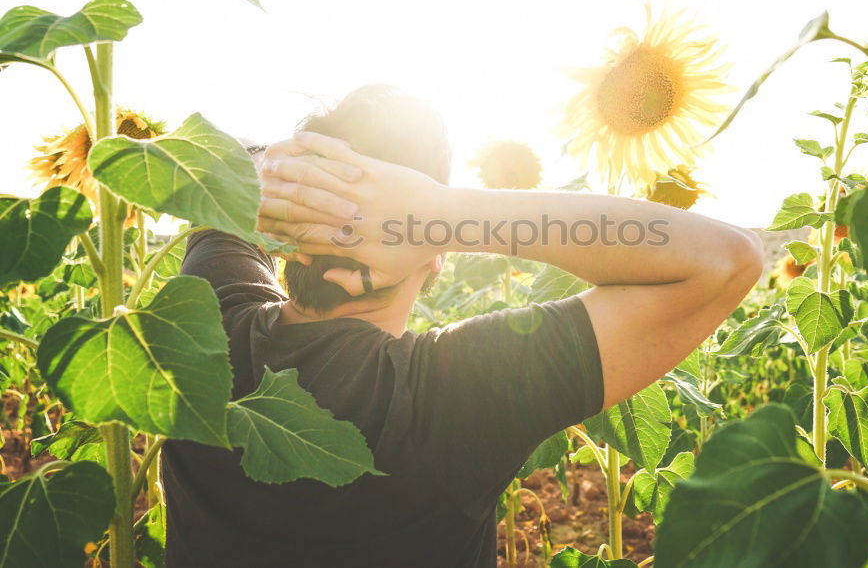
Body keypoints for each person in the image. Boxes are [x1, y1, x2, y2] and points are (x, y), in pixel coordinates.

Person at [161, 85, 763, 567]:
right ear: (435, 254)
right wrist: (443, 214)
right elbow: (725, 260)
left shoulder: (209, 329)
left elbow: (228, 169)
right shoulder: (454, 394)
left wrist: (286, 174)